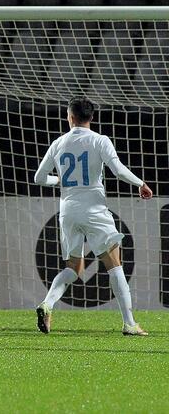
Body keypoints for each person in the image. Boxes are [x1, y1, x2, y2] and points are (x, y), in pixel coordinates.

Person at [33, 96, 152, 336]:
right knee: (114, 265)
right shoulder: (100, 141)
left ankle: (47, 303)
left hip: (68, 211)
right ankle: (129, 323)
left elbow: (38, 178)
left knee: (73, 268)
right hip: (94, 210)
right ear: (92, 117)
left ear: (70, 116)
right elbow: (118, 170)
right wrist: (141, 183)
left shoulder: (58, 143)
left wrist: (59, 180)